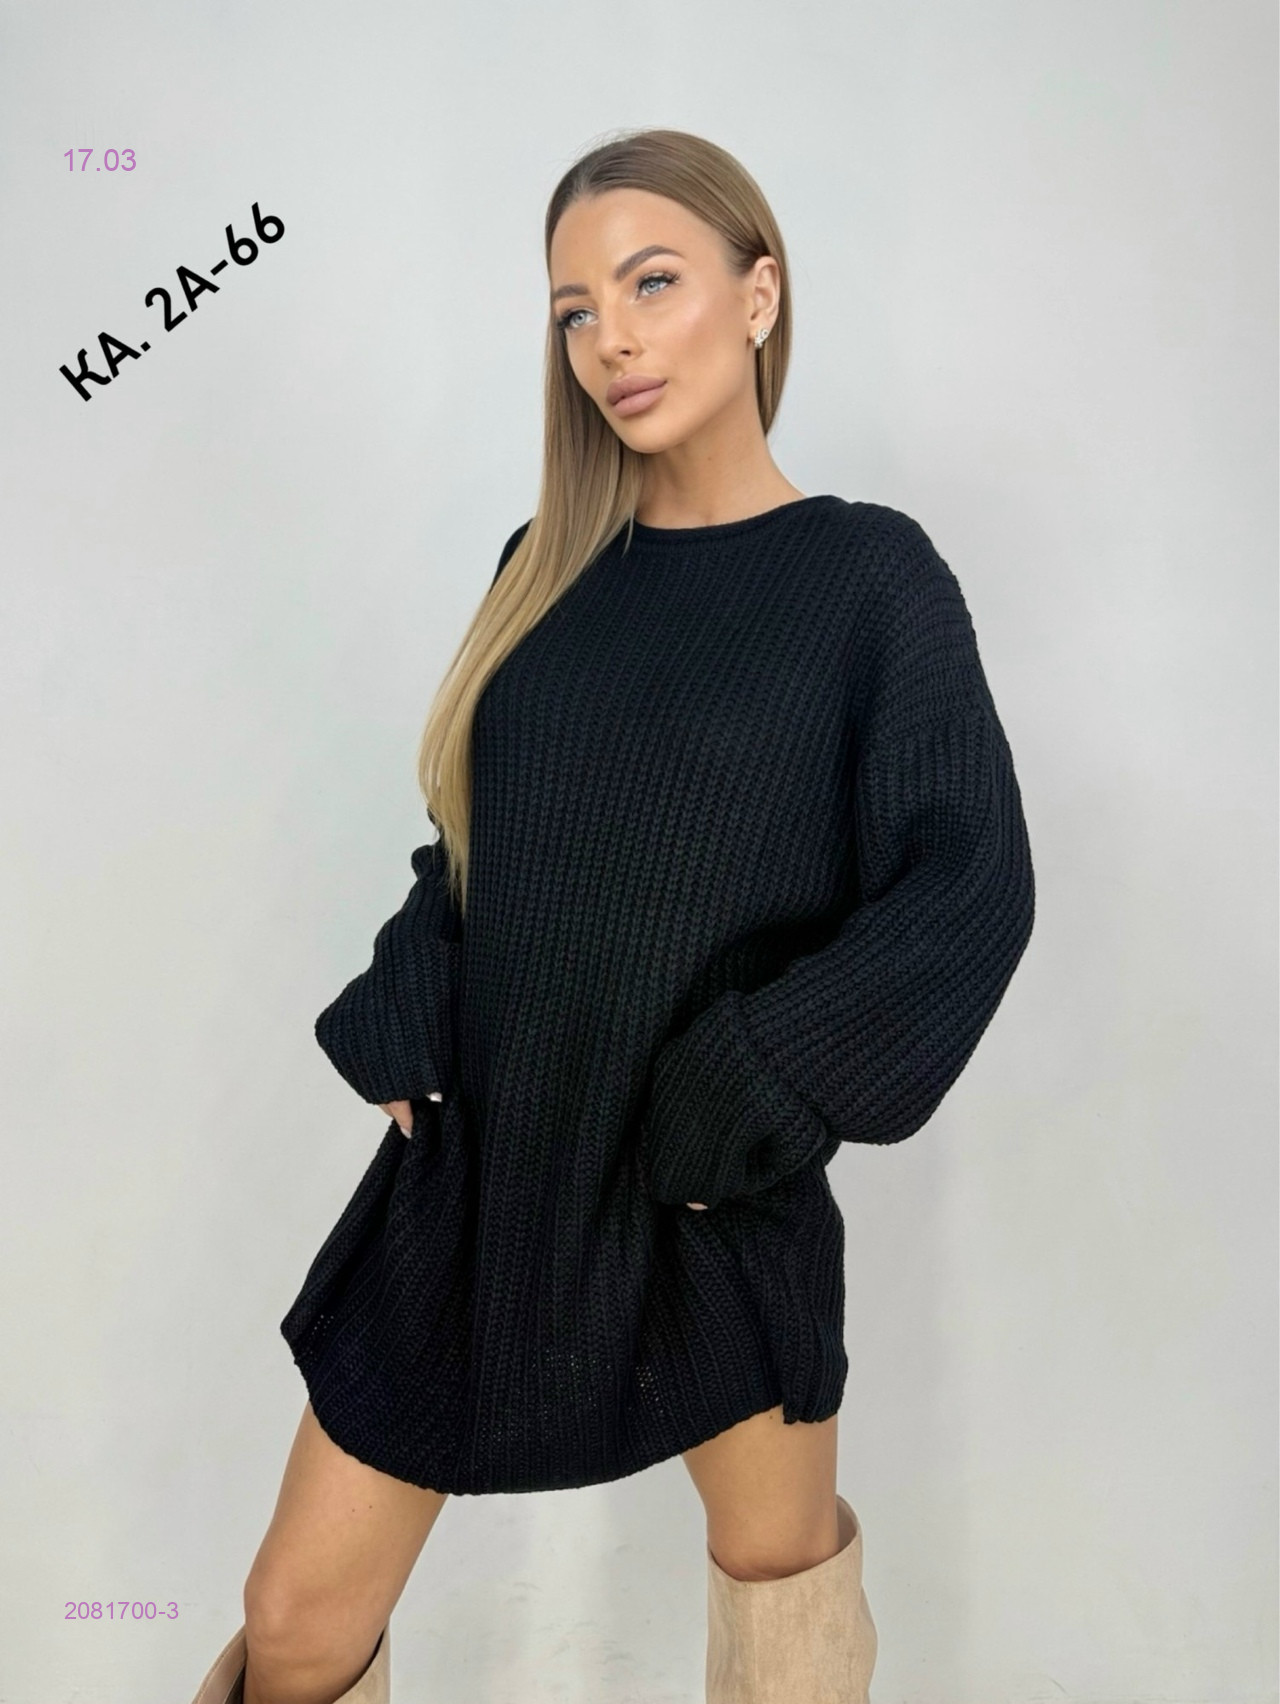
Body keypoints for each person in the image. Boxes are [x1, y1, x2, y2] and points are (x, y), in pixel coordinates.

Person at [188, 126, 1035, 1704]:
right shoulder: (545, 567)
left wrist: (757, 1084)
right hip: (486, 1169)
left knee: (781, 1615)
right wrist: (417, 982)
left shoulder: (868, 579)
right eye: (575, 309)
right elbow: (475, 852)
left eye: (652, 284)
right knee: (296, 1622)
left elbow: (967, 882)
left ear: (758, 293)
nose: (612, 341)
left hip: (709, 1188)